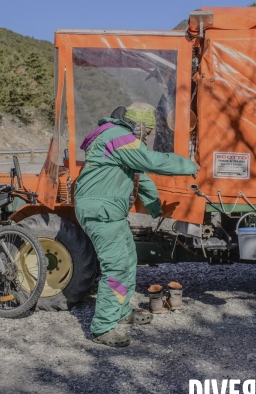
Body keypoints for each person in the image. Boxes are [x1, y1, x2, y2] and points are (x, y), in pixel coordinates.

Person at [74, 102, 198, 348]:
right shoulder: (118, 137)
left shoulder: (119, 138)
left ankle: (120, 313)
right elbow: (150, 161)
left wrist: (155, 209)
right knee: (116, 268)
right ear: (140, 126)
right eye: (148, 131)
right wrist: (190, 165)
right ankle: (102, 328)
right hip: (101, 212)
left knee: (129, 261)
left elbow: (142, 175)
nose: (148, 136)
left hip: (109, 212)